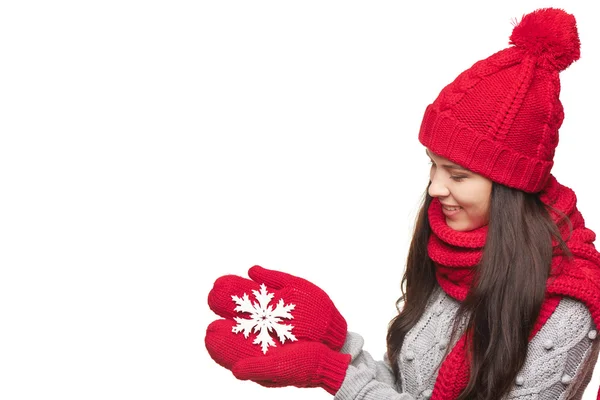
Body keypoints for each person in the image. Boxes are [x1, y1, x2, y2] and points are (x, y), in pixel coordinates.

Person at [205, 7, 600, 400]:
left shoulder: (566, 308)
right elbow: (407, 389)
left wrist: (337, 377)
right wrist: (338, 344)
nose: (434, 188)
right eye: (433, 165)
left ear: (511, 187)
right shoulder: (454, 254)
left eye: (457, 175)